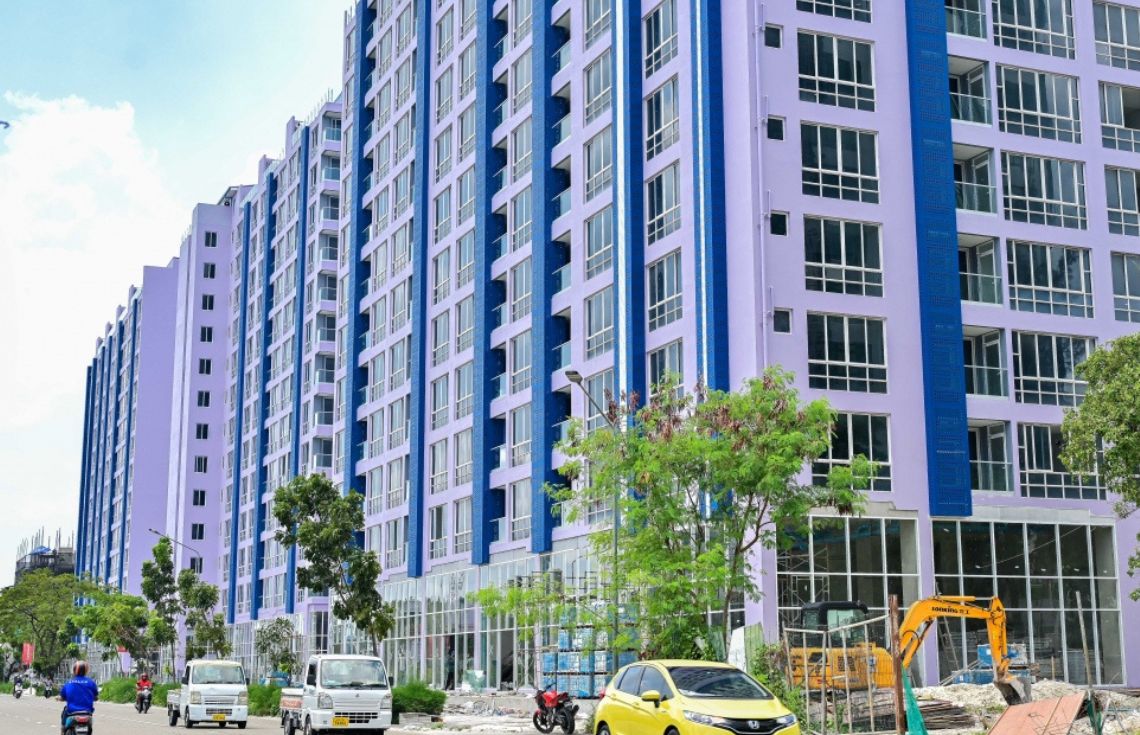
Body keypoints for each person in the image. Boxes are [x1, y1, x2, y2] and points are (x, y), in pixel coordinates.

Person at [58, 661, 98, 728]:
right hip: (87, 712)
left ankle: (63, 729)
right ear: (86, 671)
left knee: (64, 712)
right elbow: (95, 696)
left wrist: (60, 698)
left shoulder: (69, 683)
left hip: (71, 711)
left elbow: (63, 696)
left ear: (74, 671)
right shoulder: (91, 682)